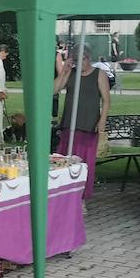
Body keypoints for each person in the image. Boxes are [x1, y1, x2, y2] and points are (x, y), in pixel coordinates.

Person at [53, 45, 110, 201]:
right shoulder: (71, 73)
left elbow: (106, 100)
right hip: (69, 124)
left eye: (83, 59)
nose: (81, 63)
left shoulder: (99, 74)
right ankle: (65, 196)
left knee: (85, 163)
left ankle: (81, 198)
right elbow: (54, 89)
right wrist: (64, 69)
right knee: (66, 161)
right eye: (77, 60)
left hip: (89, 124)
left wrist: (102, 121)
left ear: (88, 58)